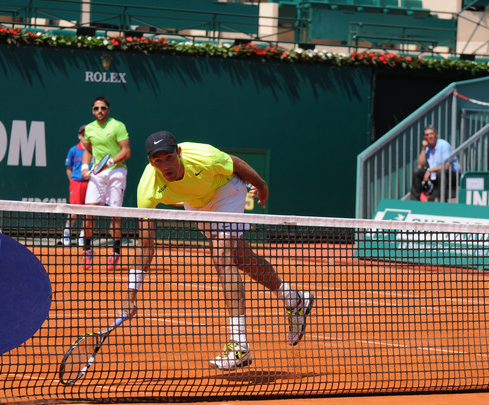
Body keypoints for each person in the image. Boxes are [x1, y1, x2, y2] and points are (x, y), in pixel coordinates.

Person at [121, 130, 315, 371]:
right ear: (150, 162)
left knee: (222, 257)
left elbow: (236, 163)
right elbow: (146, 245)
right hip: (197, 204)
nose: (165, 165)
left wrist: (261, 185)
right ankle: (295, 298)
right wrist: (129, 296)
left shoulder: (204, 156)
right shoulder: (148, 187)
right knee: (242, 258)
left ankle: (239, 345)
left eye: (169, 158)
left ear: (178, 153)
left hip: (227, 191)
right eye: (157, 161)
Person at [80, 96, 131, 270]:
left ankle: (115, 252)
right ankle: (87, 250)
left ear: (108, 110)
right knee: (89, 213)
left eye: (102, 108)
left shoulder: (117, 126)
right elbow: (88, 151)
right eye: (96, 108)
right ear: (93, 110)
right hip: (97, 175)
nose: (99, 111)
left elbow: (126, 151)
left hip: (116, 172)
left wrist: (110, 163)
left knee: (115, 215)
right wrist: (85, 167)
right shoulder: (90, 129)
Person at [410, 126, 460, 202]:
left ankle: (442, 202)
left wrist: (430, 171)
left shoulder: (444, 145)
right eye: (427, 135)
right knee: (417, 172)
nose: (429, 136)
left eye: (431, 134)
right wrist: (423, 148)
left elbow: (446, 166)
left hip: (452, 175)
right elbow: (420, 165)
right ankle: (415, 202)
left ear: (436, 135)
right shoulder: (427, 147)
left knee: (441, 172)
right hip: (435, 174)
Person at [61, 124, 90, 247]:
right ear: (79, 136)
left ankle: (83, 235)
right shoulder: (73, 150)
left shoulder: (94, 150)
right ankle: (67, 232)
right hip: (76, 183)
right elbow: (69, 169)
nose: (85, 137)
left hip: (90, 183)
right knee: (74, 212)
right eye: (83, 135)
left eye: (87, 135)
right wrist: (73, 182)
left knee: (87, 212)